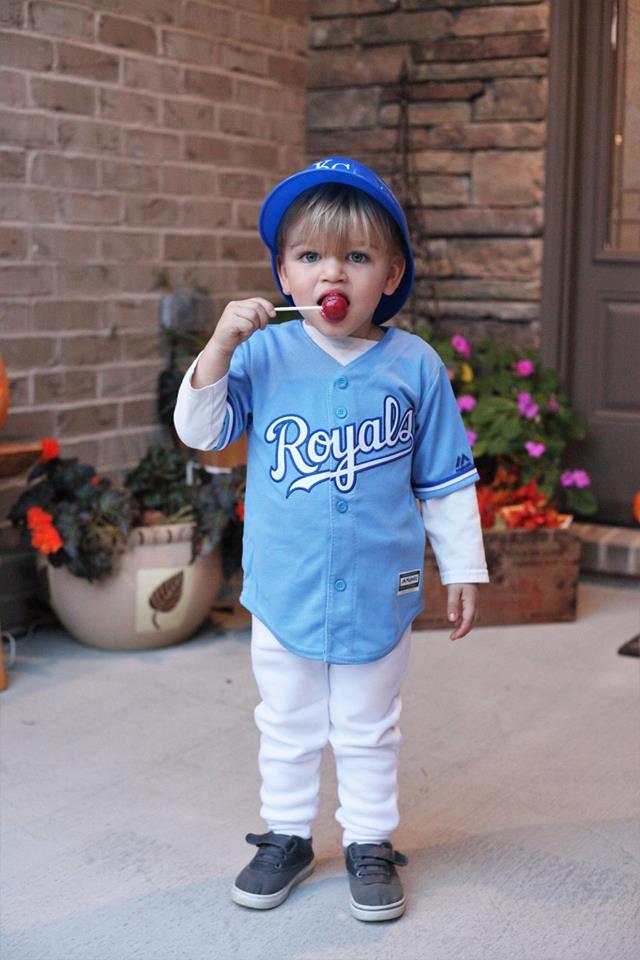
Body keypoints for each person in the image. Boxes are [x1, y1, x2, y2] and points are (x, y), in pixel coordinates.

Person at [173, 157, 488, 922]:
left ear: (392, 274)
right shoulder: (262, 354)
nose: (331, 274)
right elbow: (201, 431)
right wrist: (218, 349)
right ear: (284, 274)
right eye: (310, 256)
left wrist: (464, 569)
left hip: (380, 589)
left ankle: (369, 841)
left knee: (369, 725)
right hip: (285, 585)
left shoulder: (415, 366)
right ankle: (285, 835)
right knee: (285, 721)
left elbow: (445, 481)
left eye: (357, 256)